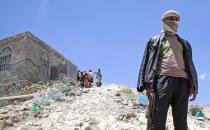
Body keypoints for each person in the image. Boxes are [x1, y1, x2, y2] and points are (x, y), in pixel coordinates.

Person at [137, 10, 198, 130]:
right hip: (162, 81)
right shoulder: (154, 41)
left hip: (183, 83)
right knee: (156, 120)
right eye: (171, 19)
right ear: (164, 21)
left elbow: (191, 65)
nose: (174, 21)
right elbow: (145, 62)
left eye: (176, 19)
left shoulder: (185, 43)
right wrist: (145, 84)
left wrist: (194, 85)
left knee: (181, 123)